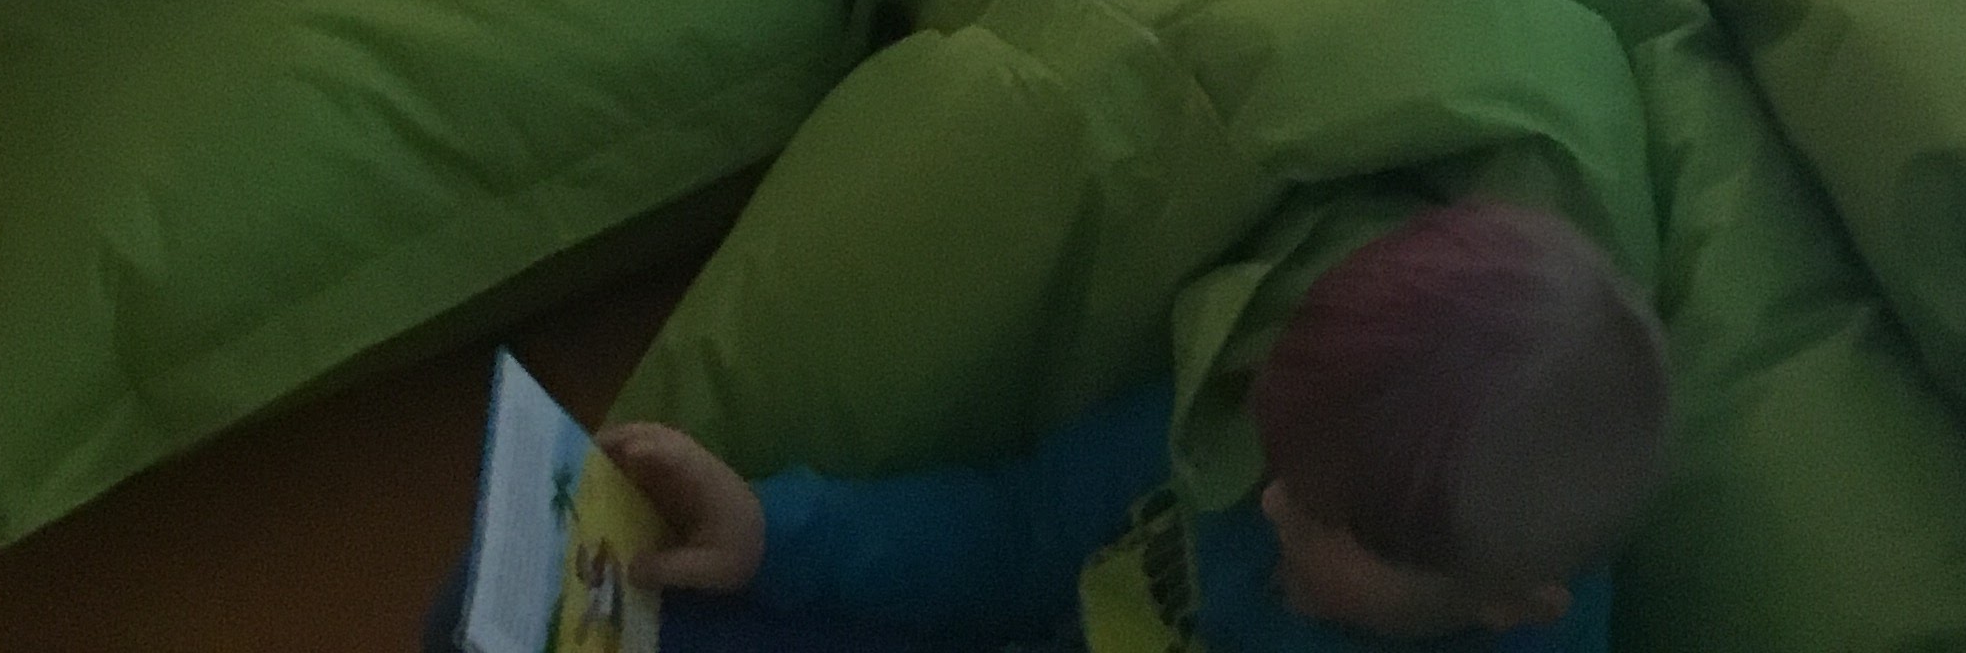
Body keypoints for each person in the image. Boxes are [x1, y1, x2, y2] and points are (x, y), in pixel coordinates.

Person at [584, 203, 1669, 653]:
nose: (1274, 502)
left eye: (1333, 524)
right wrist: (774, 531)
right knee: (641, 595)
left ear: (1507, 604)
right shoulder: (1223, 440)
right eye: (1285, 461)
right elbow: (1014, 536)